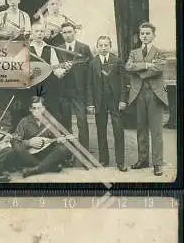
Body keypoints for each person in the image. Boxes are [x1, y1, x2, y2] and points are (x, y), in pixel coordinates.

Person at [125, 22, 168, 176]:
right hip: (138, 94)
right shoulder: (134, 52)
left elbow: (159, 69)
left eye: (148, 33)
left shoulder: (159, 52)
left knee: (156, 130)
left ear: (153, 35)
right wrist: (147, 64)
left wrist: (140, 71)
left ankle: (157, 163)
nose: (144, 36)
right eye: (142, 33)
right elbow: (128, 67)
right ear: (140, 35)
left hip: (155, 95)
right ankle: (143, 160)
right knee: (141, 128)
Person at [87, 36, 128, 171]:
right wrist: (91, 103)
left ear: (110, 46)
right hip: (100, 101)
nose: (103, 48)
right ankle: (104, 159)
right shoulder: (93, 63)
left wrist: (123, 100)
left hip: (115, 101)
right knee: (101, 130)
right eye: (101, 45)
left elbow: (123, 83)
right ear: (97, 47)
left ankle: (120, 162)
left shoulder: (117, 61)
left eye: (106, 45)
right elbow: (90, 85)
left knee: (118, 130)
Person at [11, 96, 71, 178]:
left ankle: (37, 169)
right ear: (30, 109)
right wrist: (29, 143)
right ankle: (48, 166)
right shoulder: (24, 121)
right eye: (34, 108)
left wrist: (60, 139)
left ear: (44, 109)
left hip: (47, 154)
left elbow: (57, 137)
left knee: (64, 147)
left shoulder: (51, 121)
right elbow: (15, 141)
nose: (36, 111)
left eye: (39, 108)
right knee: (17, 147)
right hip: (30, 155)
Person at [56, 22, 93, 154]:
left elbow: (91, 72)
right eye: (64, 32)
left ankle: (84, 153)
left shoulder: (84, 48)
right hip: (64, 92)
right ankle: (67, 154)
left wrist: (89, 97)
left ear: (75, 32)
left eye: (70, 31)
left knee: (82, 122)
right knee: (66, 124)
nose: (67, 34)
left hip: (79, 92)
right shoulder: (57, 49)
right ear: (61, 34)